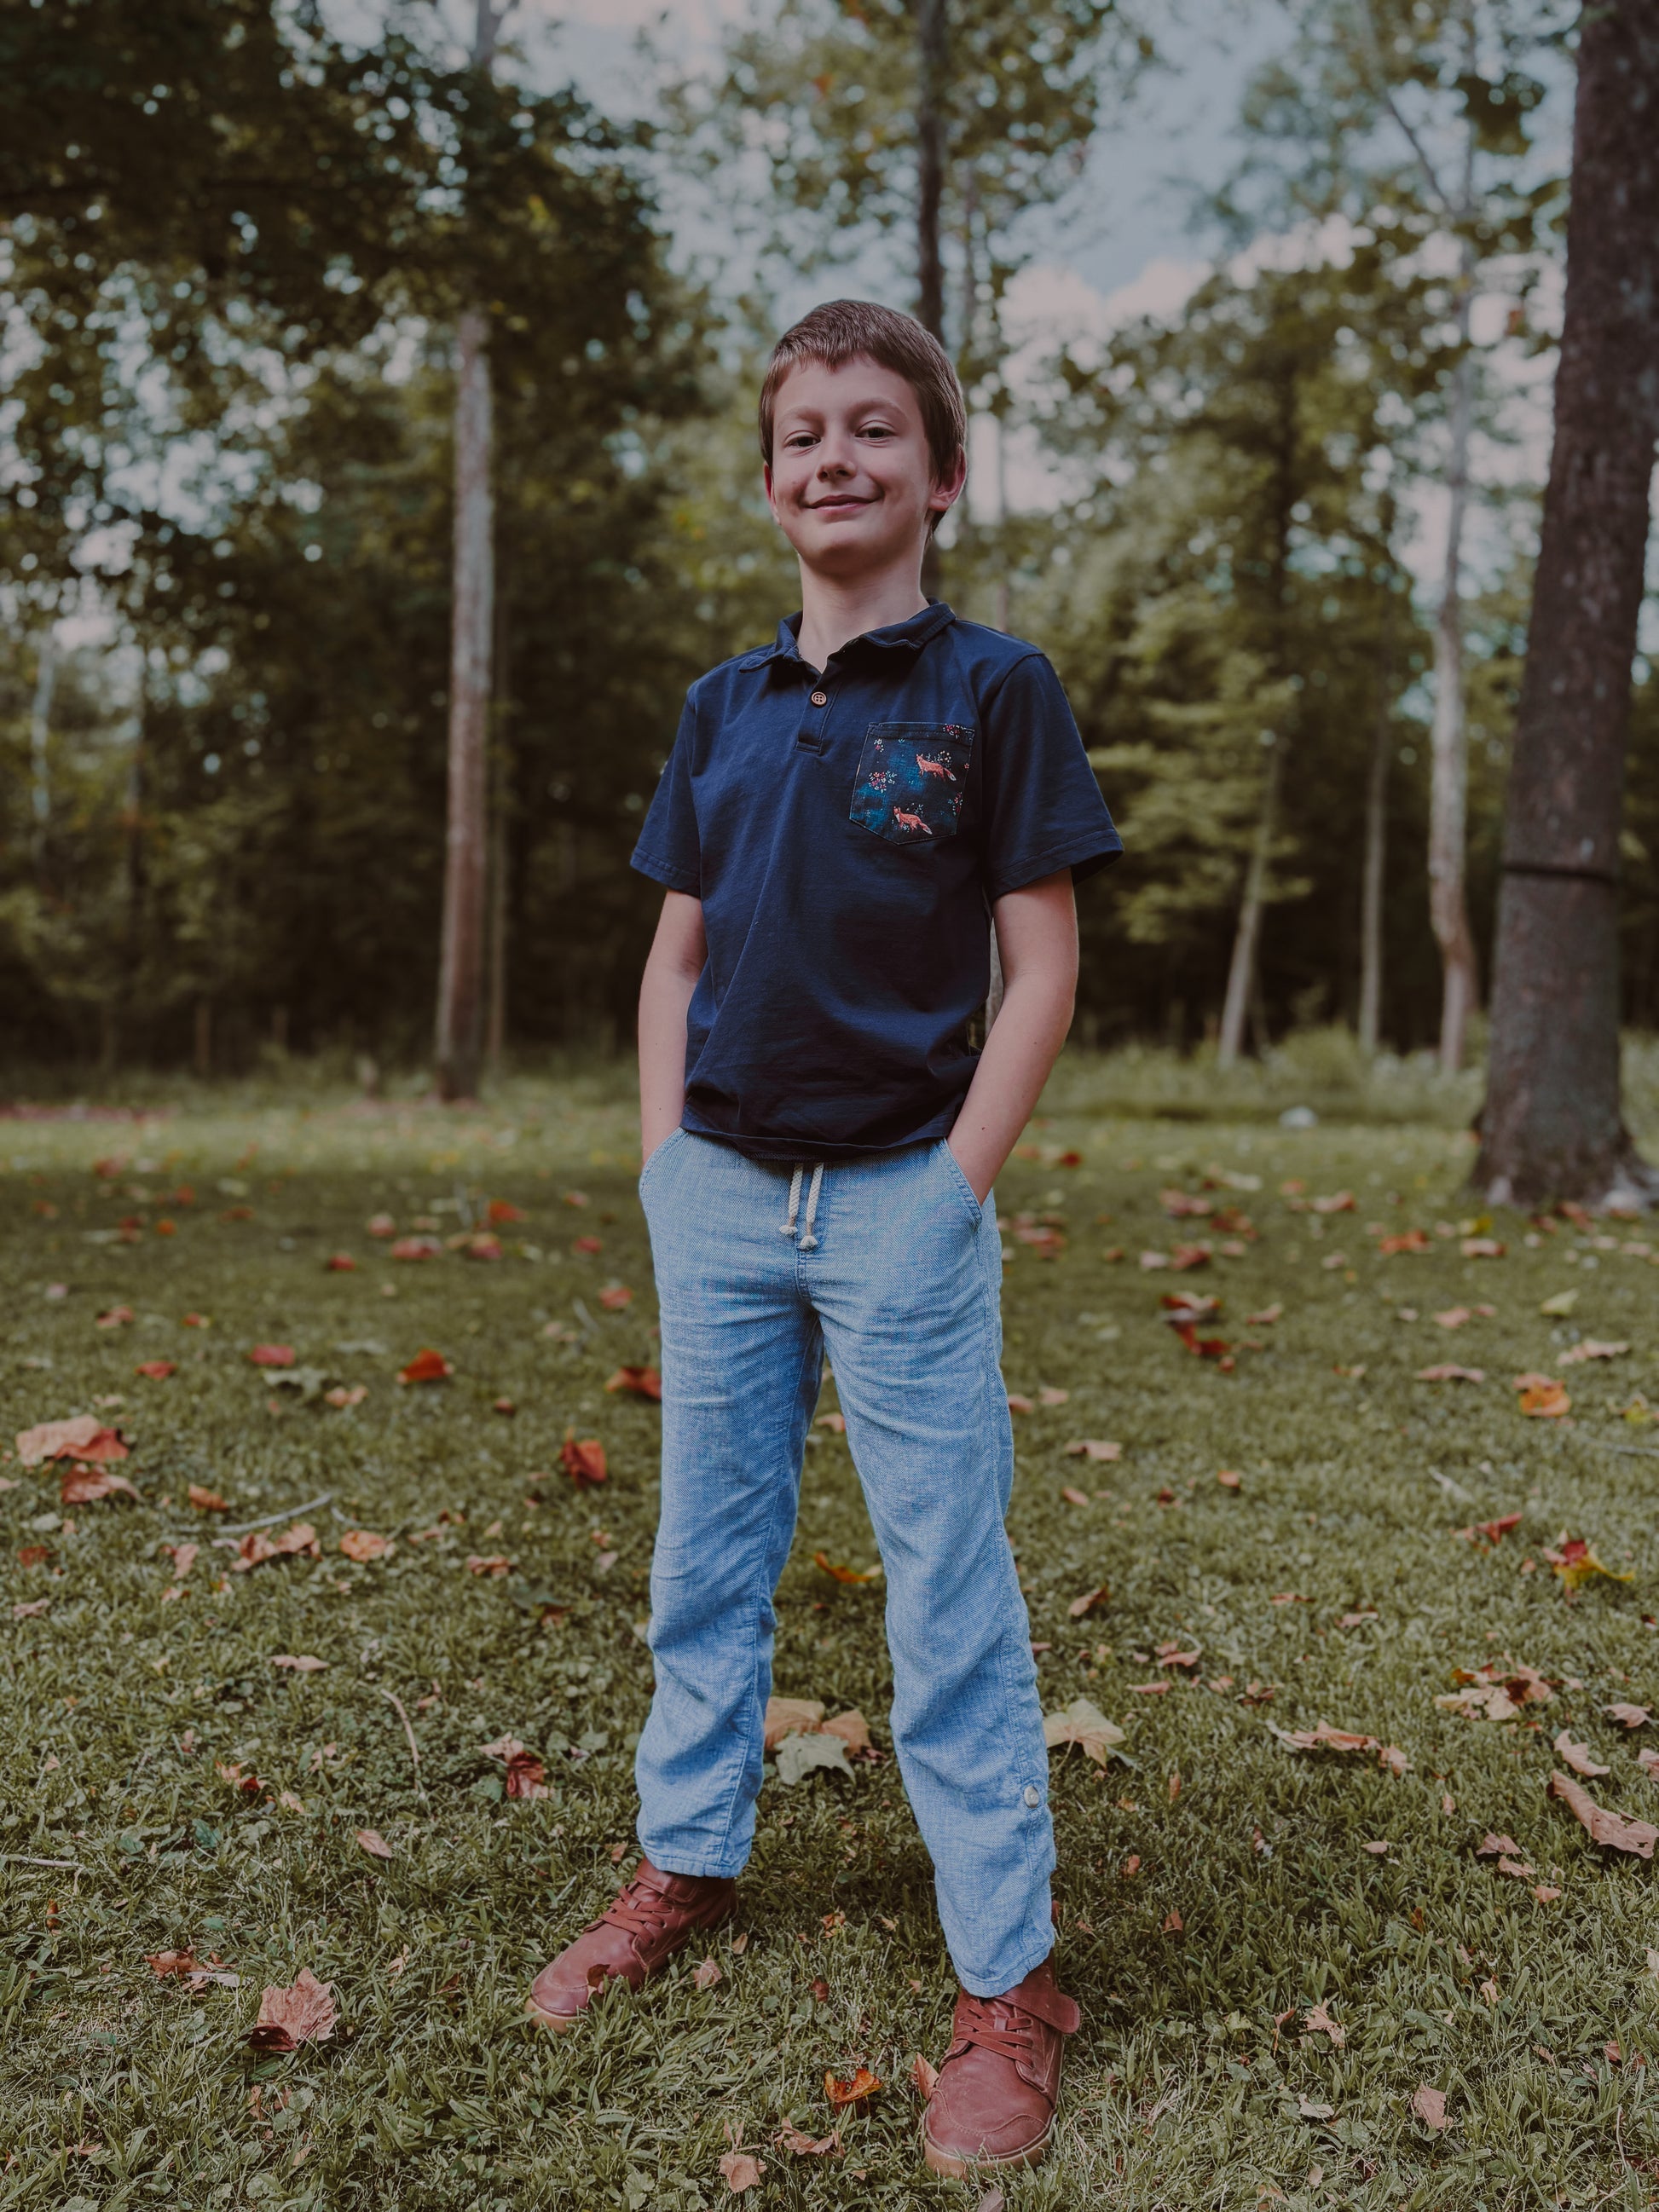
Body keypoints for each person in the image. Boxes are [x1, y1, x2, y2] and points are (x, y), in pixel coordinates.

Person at [527, 297, 1121, 2177]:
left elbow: (1042, 967)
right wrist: (660, 1161)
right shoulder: (721, 706)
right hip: (717, 1190)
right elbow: (675, 956)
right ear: (771, 478)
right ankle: (684, 1859)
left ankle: (1007, 1980)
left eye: (874, 427)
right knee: (705, 1560)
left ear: (941, 475)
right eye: (802, 433)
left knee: (947, 1584)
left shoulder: (994, 691)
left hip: (897, 1201)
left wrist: (953, 1187)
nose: (834, 457)